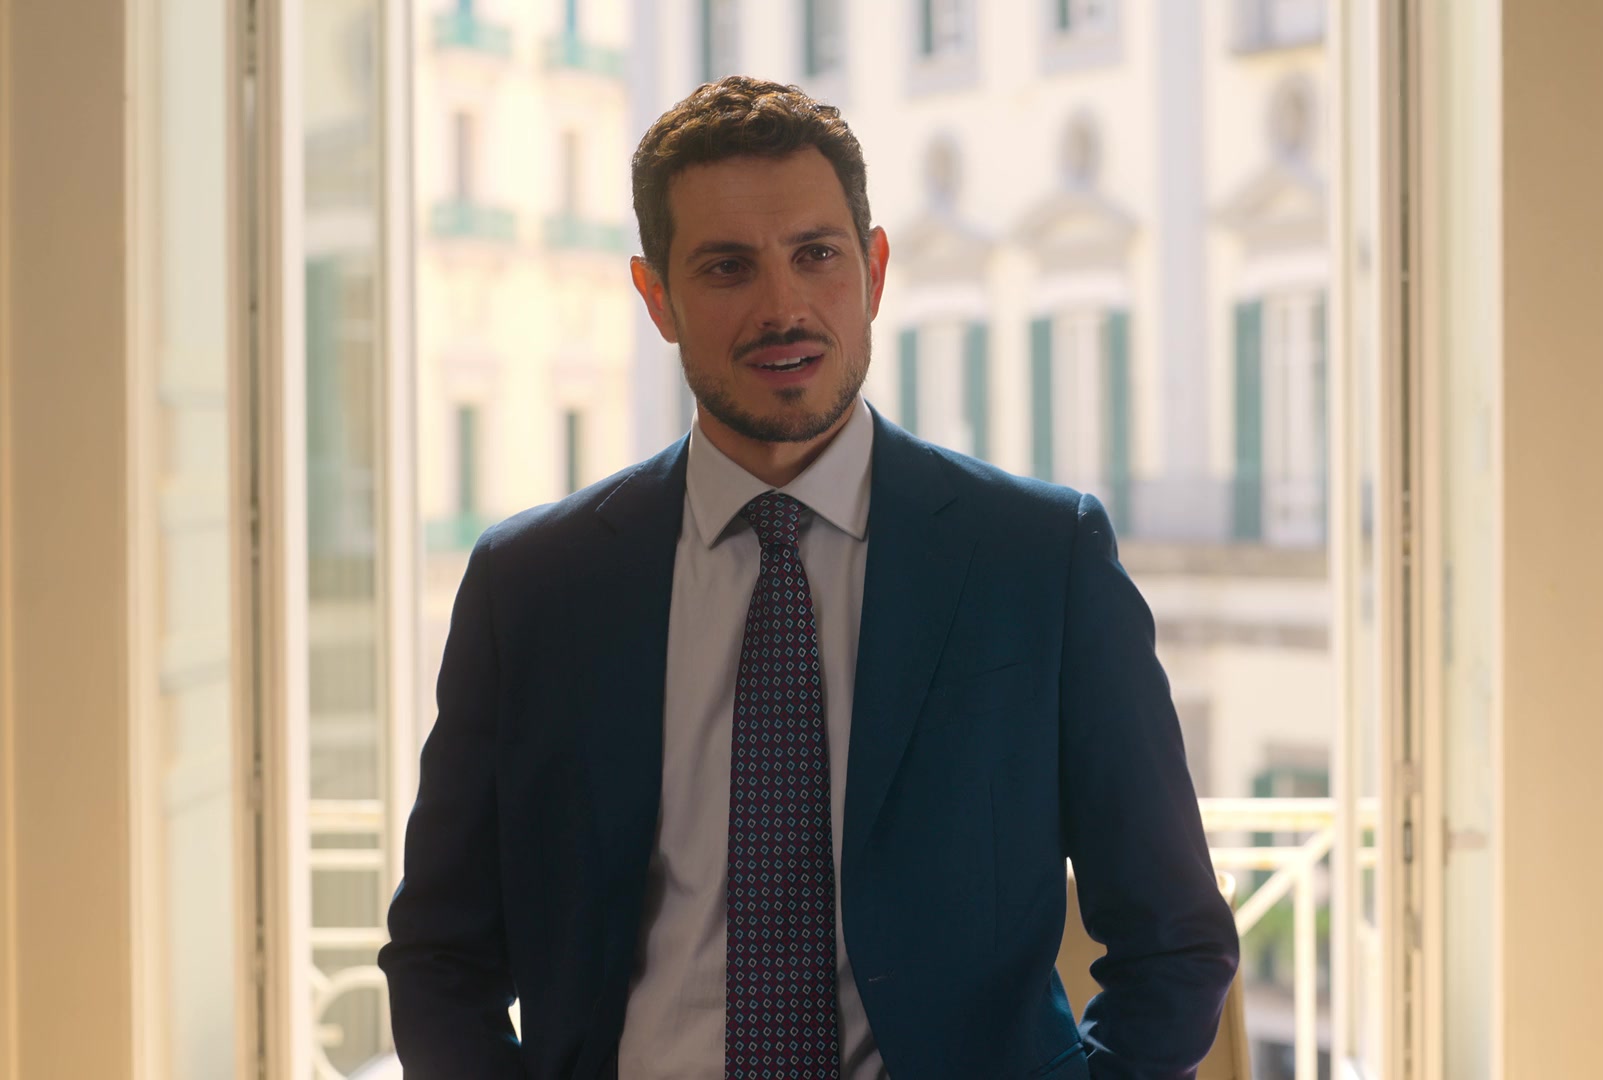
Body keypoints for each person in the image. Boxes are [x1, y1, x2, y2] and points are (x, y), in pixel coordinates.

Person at [379, 76, 1238, 1080]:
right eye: (727, 267)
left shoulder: (1040, 559)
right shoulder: (532, 586)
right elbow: (441, 955)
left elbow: (1175, 941)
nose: (782, 307)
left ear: (874, 270)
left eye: (816, 255)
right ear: (656, 298)